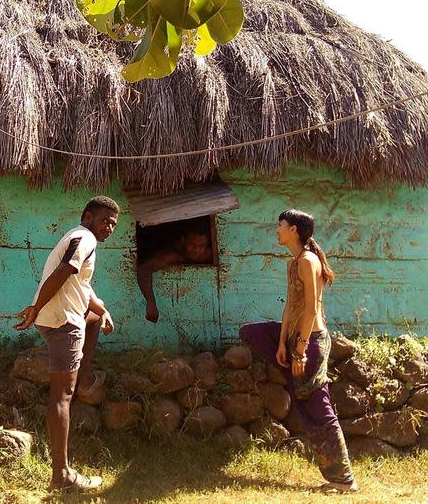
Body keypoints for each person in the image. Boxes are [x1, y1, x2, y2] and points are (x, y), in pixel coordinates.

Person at [239, 209, 358, 493]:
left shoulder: (307, 260)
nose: (277, 230)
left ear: (294, 230)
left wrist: (301, 350)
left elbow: (311, 309)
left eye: (280, 225)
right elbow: (290, 306)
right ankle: (298, 381)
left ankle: (344, 479)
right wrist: (282, 343)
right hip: (295, 339)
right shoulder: (293, 262)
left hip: (312, 341)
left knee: (316, 407)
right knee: (251, 332)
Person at [13, 196, 119, 493]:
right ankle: (62, 476)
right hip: (63, 323)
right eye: (104, 221)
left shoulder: (78, 237)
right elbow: (63, 272)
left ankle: (84, 378)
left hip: (58, 317)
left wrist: (102, 309)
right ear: (88, 217)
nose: (109, 228)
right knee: (61, 397)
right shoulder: (84, 238)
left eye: (113, 224)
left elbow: (81, 285)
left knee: (95, 319)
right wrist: (35, 307)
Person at [137, 231, 213, 323]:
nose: (197, 250)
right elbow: (144, 269)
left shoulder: (208, 254)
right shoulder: (171, 255)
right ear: (183, 240)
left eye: (201, 246)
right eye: (192, 244)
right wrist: (151, 303)